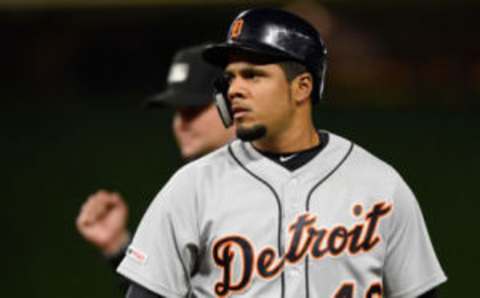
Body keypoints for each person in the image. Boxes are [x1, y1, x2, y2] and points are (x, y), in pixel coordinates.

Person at [117, 8, 447, 298]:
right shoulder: (191, 188)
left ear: (302, 86)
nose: (235, 89)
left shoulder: (380, 185)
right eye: (230, 78)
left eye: (253, 75)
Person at [75, 44, 235, 292]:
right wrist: (118, 247)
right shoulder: (187, 191)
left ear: (232, 102)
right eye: (177, 112)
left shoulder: (276, 181)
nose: (181, 124)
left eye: (192, 110)